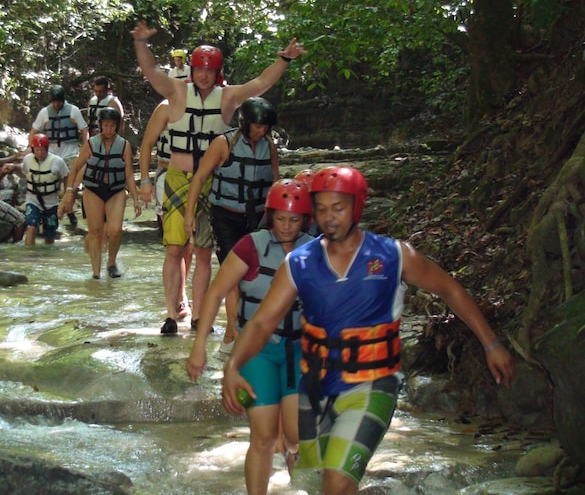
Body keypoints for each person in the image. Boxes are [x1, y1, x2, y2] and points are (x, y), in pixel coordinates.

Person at [221, 166, 516, 495]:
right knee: (318, 479)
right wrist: (233, 366)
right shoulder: (299, 264)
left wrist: (491, 344)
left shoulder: (394, 255)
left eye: (339, 208)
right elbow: (262, 322)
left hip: (372, 385)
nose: (329, 218)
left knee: (336, 481)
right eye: (321, 209)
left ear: (357, 207)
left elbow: (450, 290)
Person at [131, 19, 305, 335]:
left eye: (210, 70)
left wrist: (284, 59)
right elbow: (151, 76)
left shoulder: (226, 99)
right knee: (173, 249)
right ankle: (172, 313)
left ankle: (199, 316)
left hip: (212, 182)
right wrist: (141, 43)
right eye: (199, 69)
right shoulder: (174, 94)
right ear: (192, 69)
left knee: (202, 252)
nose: (203, 75)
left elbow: (260, 84)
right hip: (177, 178)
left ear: (217, 72)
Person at [187, 179, 313, 495]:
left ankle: (301, 483)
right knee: (263, 436)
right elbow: (215, 294)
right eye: (280, 218)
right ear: (270, 215)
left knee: (298, 437)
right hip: (258, 353)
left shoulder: (314, 248)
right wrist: (199, 347)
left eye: (294, 219)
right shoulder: (250, 246)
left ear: (305, 220)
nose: (286, 226)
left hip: (300, 350)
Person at [183, 97, 280, 352]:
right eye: (258, 126)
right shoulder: (223, 144)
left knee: (256, 276)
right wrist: (189, 215)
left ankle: (252, 328)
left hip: (257, 220)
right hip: (225, 218)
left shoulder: (269, 147)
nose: (263, 131)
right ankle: (231, 334)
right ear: (245, 123)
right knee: (234, 276)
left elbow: (276, 185)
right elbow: (200, 177)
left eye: (266, 127)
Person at [60, 108, 141, 279]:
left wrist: (135, 198)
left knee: (115, 230)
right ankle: (96, 274)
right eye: (105, 125)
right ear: (100, 125)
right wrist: (69, 191)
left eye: (112, 125)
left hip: (116, 191)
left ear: (117, 126)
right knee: (95, 231)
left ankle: (111, 262)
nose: (109, 129)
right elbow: (75, 167)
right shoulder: (90, 144)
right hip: (93, 190)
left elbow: (128, 174)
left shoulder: (124, 145)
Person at [140, 99, 192, 318]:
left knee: (190, 245)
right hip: (167, 177)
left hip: (197, 177)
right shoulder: (165, 106)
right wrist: (144, 181)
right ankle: (176, 301)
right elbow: (147, 144)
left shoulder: (209, 103)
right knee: (174, 245)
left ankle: (182, 293)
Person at [29, 84, 88, 229]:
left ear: (63, 100)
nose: (56, 104)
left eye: (59, 102)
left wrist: (86, 149)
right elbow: (34, 131)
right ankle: (64, 212)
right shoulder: (45, 113)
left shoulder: (73, 111)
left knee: (72, 187)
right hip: (52, 155)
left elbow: (84, 130)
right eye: (54, 101)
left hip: (71, 154)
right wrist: (31, 148)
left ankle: (65, 212)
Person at [2, 133, 68, 246]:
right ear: (33, 149)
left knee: (50, 235)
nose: (40, 153)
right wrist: (13, 167)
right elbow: (23, 171)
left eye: (42, 150)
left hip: (51, 203)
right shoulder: (28, 160)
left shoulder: (57, 162)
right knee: (31, 227)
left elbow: (67, 176)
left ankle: (47, 259)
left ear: (47, 149)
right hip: (33, 201)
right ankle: (29, 257)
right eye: (37, 150)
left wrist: (67, 196)